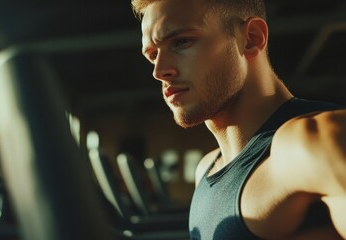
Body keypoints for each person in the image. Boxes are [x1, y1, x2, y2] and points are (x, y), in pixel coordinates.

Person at [131, 0, 346, 239]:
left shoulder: (310, 142)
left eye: (181, 42)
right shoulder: (206, 168)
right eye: (152, 54)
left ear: (251, 38)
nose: (159, 70)